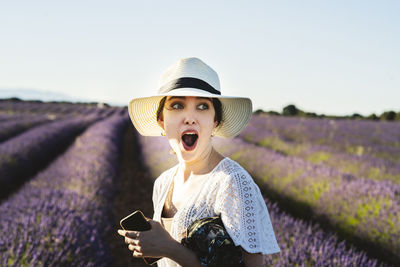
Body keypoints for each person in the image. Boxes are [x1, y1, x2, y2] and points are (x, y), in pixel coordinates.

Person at [118, 57, 280, 267]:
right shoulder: (163, 183)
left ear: (215, 121)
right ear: (161, 120)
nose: (190, 117)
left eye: (202, 106)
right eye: (177, 105)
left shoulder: (232, 183)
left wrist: (169, 248)